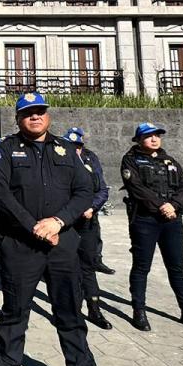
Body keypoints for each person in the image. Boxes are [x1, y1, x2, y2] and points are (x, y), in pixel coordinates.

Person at [0, 94, 119, 366]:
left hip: (62, 246)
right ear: (18, 119)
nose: (34, 117)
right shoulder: (4, 151)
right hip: (20, 246)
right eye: (27, 113)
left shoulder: (66, 150)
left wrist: (58, 221)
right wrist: (34, 226)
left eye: (39, 112)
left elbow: (85, 191)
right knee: (15, 315)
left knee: (70, 315)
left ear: (47, 115)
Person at [121, 122, 183, 334]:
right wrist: (161, 206)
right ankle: (139, 310)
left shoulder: (170, 161)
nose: (154, 139)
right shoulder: (131, 160)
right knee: (142, 267)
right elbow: (137, 189)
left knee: (176, 267)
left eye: (157, 135)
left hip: (172, 220)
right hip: (145, 220)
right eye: (149, 136)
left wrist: (174, 206)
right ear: (139, 140)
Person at [64, 127, 113, 331]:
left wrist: (92, 207)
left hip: (87, 221)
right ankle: (69, 311)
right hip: (66, 223)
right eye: (71, 146)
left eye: (79, 146)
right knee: (66, 268)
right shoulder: (58, 159)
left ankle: (94, 308)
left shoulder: (91, 159)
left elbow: (102, 189)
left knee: (88, 266)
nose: (75, 150)